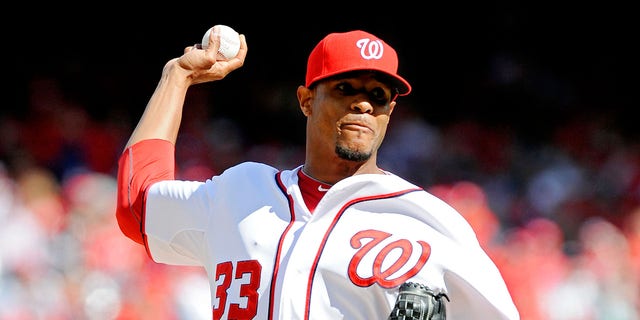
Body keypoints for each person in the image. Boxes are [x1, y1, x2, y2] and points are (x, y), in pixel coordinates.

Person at [115, 26, 520, 319]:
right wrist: (177, 77)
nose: (363, 105)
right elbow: (137, 204)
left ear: (389, 113)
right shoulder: (240, 192)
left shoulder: (431, 221)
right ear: (307, 100)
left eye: (377, 96)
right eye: (346, 89)